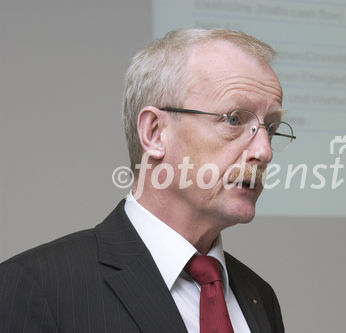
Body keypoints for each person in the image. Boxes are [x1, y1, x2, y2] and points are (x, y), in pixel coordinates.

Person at [0, 28, 295, 332]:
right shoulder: (35, 287)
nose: (264, 151)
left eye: (270, 128)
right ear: (154, 133)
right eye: (234, 119)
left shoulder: (259, 297)